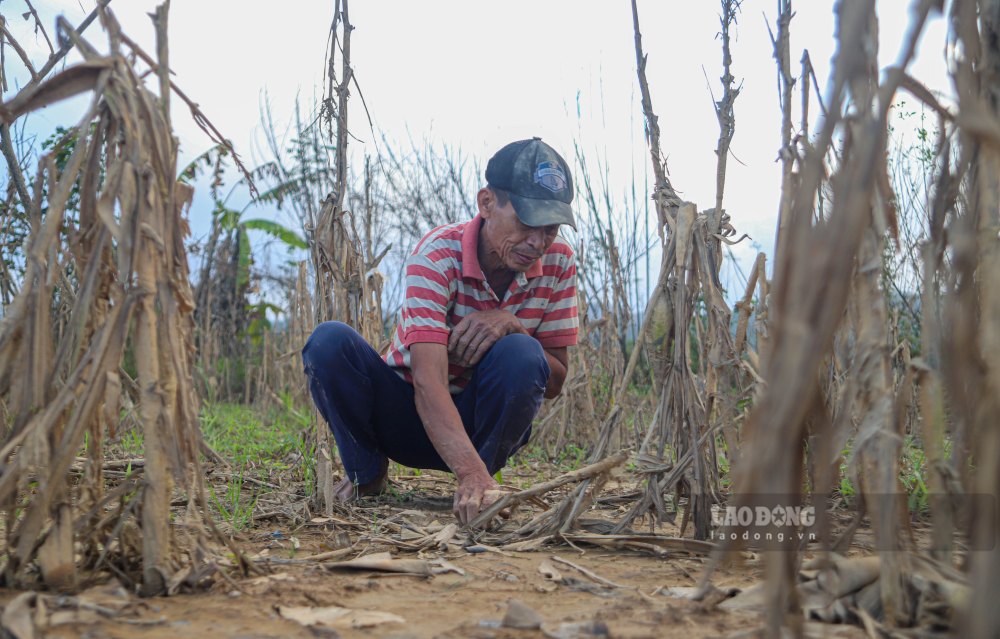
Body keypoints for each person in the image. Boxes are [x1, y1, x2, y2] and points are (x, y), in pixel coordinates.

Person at [302, 137, 578, 525]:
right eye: (527, 222)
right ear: (486, 204)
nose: (537, 242)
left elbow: (554, 381)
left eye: (550, 228)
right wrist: (467, 471)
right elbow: (427, 384)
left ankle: (482, 484)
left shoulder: (558, 262)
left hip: (480, 423)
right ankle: (368, 475)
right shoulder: (436, 255)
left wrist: (512, 324)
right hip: (405, 417)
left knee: (523, 353)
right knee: (328, 343)